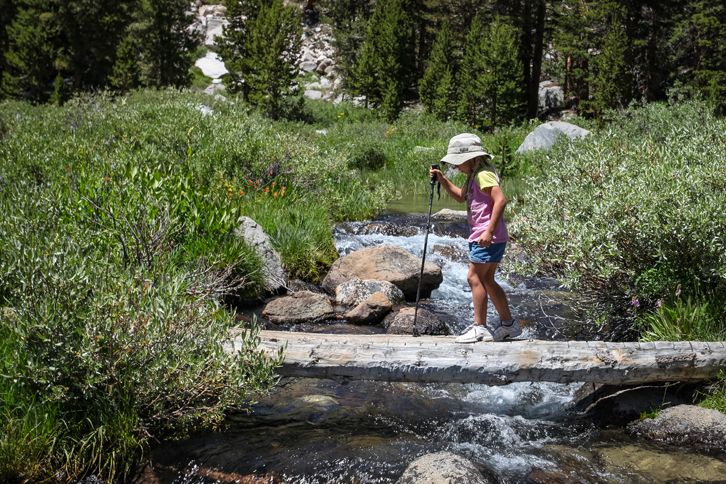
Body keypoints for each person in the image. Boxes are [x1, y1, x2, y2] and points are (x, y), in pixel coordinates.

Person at [430, 133, 521, 343]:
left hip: (487, 235)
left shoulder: (483, 175)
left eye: (458, 163)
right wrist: (443, 179)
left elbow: (501, 200)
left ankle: (480, 327)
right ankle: (509, 325)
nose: (456, 167)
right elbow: (461, 197)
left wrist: (488, 231)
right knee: (487, 280)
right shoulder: (474, 175)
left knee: (474, 277)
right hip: (489, 235)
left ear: (470, 158)